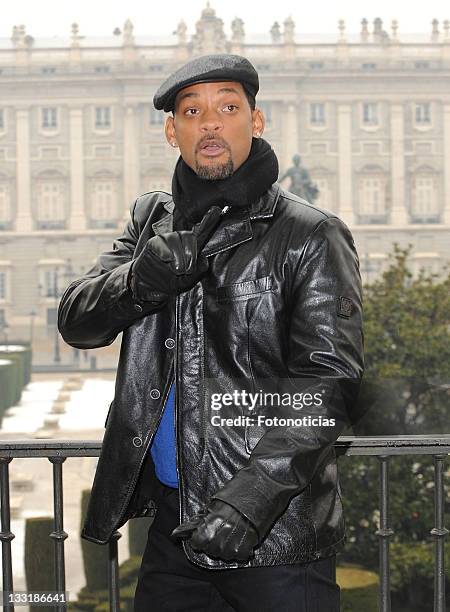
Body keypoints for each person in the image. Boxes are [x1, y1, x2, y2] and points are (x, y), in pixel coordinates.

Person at [58, 53, 364, 612]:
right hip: (175, 528)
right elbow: (77, 322)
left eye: (228, 107)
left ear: (257, 120)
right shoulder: (153, 222)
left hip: (276, 534)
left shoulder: (311, 234)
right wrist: (139, 281)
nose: (212, 123)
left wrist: (248, 504)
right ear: (173, 131)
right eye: (193, 111)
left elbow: (329, 386)